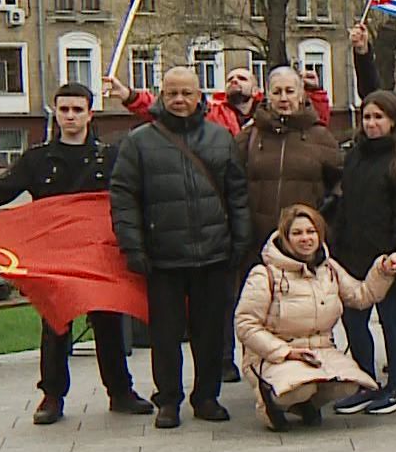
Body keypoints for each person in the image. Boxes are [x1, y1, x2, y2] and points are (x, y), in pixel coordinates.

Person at [0, 82, 152, 425]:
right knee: (55, 324)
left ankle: (120, 391)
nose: (70, 116)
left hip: (97, 257)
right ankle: (52, 396)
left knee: (108, 321)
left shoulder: (111, 157)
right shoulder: (38, 159)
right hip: (52, 259)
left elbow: (134, 195)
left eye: (77, 110)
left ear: (90, 113)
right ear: (56, 113)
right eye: (64, 110)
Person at [110, 66, 250, 429]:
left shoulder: (220, 139)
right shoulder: (139, 141)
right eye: (172, 93)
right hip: (163, 256)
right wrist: (134, 247)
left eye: (187, 93)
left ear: (199, 96)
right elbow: (124, 198)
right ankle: (168, 400)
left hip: (214, 253)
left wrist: (240, 239)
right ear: (161, 95)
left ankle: (206, 397)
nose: (179, 100)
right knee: (165, 335)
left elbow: (237, 193)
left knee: (210, 333)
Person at [234, 205, 396, 431]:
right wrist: (284, 352)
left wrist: (383, 271)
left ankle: (307, 405)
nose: (305, 238)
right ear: (285, 237)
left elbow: (361, 296)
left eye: (310, 232)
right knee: (299, 388)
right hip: (276, 354)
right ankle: (271, 402)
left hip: (320, 351)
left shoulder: (328, 268)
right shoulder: (264, 274)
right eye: (297, 233)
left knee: (349, 385)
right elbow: (245, 324)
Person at [329, 91, 396, 415]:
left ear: (393, 120)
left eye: (378, 117)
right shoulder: (355, 156)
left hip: (389, 257)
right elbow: (345, 202)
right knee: (354, 321)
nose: (371, 124)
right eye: (367, 117)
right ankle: (365, 382)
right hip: (353, 254)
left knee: (391, 320)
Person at [237, 67, 342, 260]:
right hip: (259, 243)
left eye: (290, 91)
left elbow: (340, 182)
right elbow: (234, 181)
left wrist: (321, 217)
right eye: (277, 92)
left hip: (304, 243)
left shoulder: (320, 136)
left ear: (301, 95)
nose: (283, 98)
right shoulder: (251, 136)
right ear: (267, 95)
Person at [109, 65, 333, 137]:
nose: (235, 81)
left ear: (257, 89)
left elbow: (315, 122)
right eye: (230, 79)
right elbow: (170, 107)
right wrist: (130, 96)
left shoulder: (275, 110)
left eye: (242, 78)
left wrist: (313, 92)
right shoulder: (213, 112)